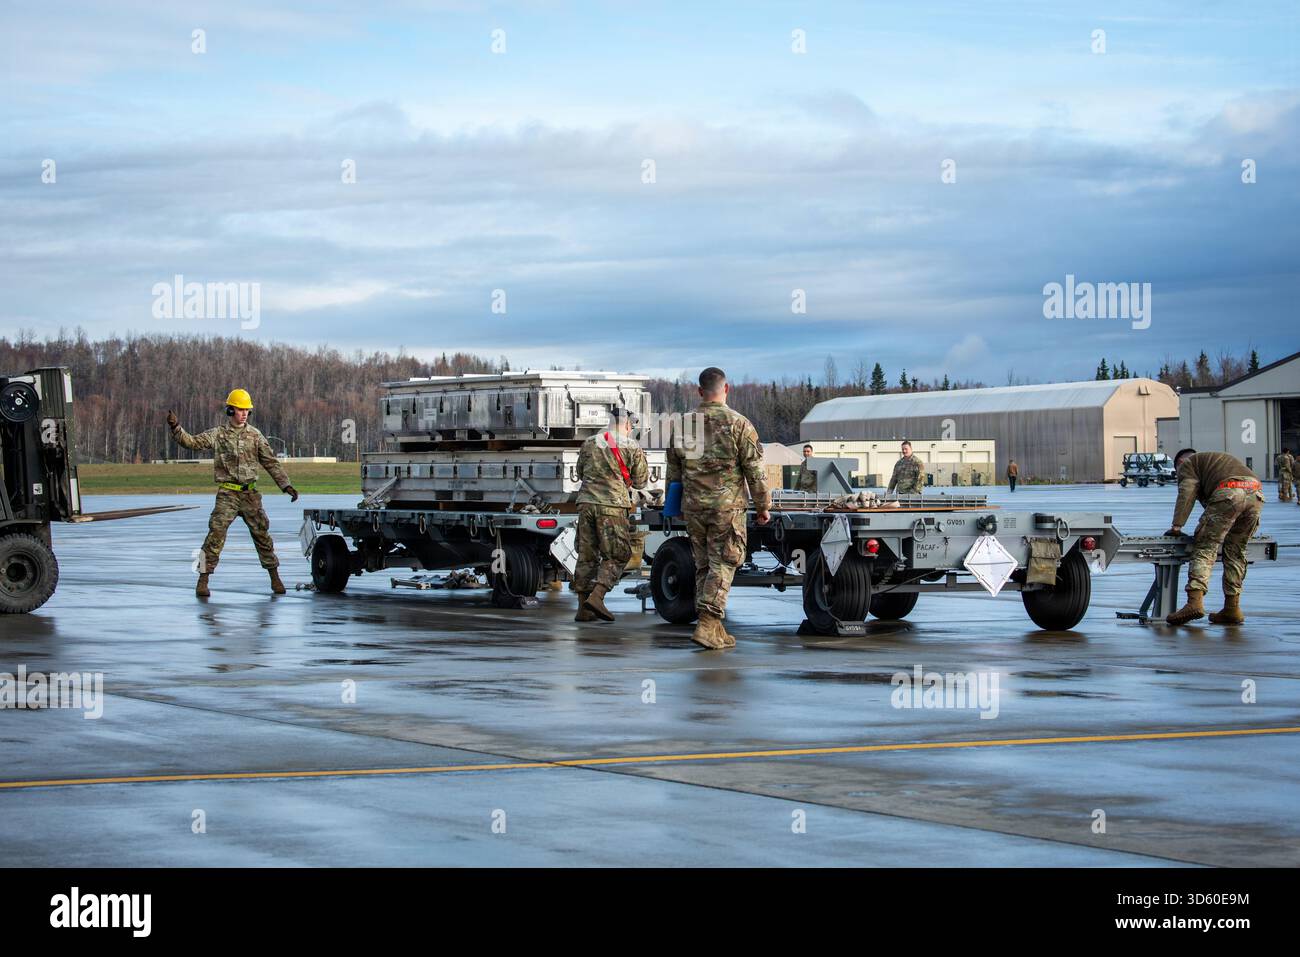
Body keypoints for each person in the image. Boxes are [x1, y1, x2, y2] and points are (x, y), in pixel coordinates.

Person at [666, 367, 771, 649]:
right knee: (724, 563)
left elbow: (673, 471)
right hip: (726, 507)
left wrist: (673, 506)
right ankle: (708, 623)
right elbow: (755, 471)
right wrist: (763, 506)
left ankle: (714, 627)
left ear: (700, 392)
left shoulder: (684, 424)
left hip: (694, 508)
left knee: (704, 566)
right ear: (727, 389)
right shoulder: (739, 424)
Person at [167, 389, 298, 597]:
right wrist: (176, 427)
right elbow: (191, 442)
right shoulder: (218, 434)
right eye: (239, 409)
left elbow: (270, 462)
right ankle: (202, 580)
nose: (244, 413)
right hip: (227, 494)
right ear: (230, 410)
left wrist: (286, 485)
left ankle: (275, 578)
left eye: (247, 410)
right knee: (214, 536)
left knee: (262, 536)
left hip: (250, 495)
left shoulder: (255, 435)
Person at [1164, 448, 1264, 626]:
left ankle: (1194, 602)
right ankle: (1232, 608)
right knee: (1236, 551)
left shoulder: (1188, 464)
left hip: (1230, 492)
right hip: (1255, 493)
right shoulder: (1216, 460)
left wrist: (1177, 526)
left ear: (1180, 463)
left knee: (1204, 546)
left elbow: (1187, 492)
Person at [573, 411, 648, 622]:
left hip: (586, 504)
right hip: (612, 507)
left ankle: (583, 608)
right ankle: (597, 596)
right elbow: (641, 481)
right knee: (618, 554)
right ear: (627, 426)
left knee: (586, 555)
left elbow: (580, 472)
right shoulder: (631, 446)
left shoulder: (589, 443)